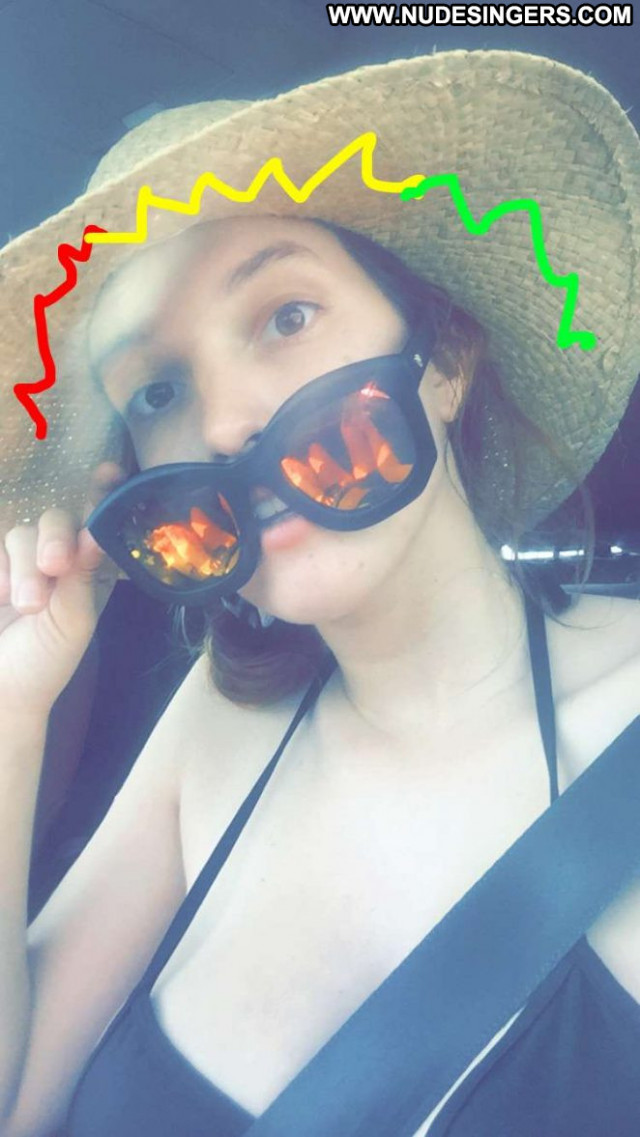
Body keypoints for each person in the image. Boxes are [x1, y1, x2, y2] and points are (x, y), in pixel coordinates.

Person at [1, 48, 639, 1137]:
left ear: (444, 359)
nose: (223, 424)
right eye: (156, 391)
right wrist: (16, 716)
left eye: (286, 316)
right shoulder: (219, 721)